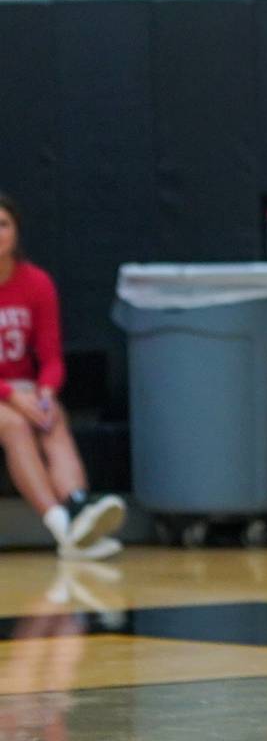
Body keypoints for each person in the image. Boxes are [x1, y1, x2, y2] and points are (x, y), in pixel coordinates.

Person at [0, 192, 126, 560]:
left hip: (21, 389)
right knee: (14, 427)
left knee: (52, 419)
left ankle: (79, 508)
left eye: (4, 224)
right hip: (5, 395)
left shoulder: (37, 283)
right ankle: (61, 526)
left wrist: (46, 392)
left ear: (17, 232)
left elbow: (52, 358)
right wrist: (11, 396)